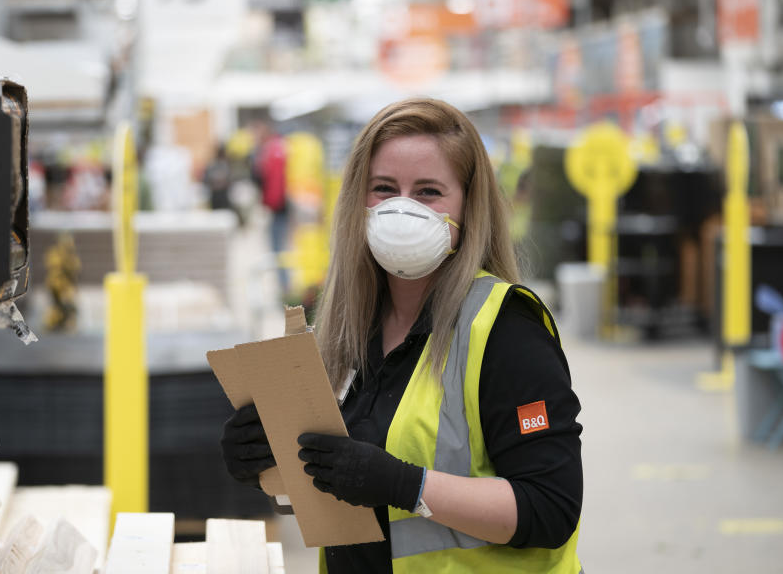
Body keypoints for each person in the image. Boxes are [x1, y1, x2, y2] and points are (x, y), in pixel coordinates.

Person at [221, 98, 584, 573]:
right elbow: (339, 482)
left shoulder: (505, 330)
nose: (402, 208)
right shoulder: (349, 330)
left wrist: (404, 485)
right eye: (384, 188)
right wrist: (266, 462)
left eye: (429, 191)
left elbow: (550, 508)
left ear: (469, 209)